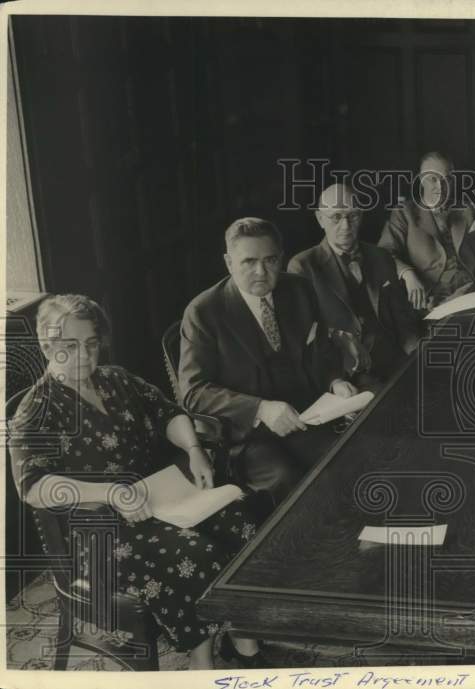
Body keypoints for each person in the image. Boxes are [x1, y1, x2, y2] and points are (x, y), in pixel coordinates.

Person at [8, 294, 266, 670]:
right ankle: (201, 660)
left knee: (243, 518)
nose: (85, 354)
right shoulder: (35, 409)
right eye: (70, 346)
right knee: (196, 553)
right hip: (99, 532)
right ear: (47, 345)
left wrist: (194, 448)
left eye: (92, 343)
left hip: (159, 499)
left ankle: (245, 642)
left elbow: (169, 413)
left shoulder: (116, 379)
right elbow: (31, 485)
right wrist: (109, 492)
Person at [179, 218, 357, 510]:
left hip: (307, 417)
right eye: (248, 262)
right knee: (291, 484)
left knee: (345, 459)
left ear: (281, 258)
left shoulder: (299, 289)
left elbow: (323, 353)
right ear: (228, 262)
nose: (261, 272)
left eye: (270, 260)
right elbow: (193, 392)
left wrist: (335, 382)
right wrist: (261, 408)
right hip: (247, 436)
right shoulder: (203, 312)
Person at [289, 182, 419, 385]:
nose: (346, 226)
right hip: (347, 373)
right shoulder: (303, 266)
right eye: (336, 217)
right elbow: (306, 335)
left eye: (353, 215)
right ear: (320, 219)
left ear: (362, 215)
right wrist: (335, 381)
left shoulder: (381, 256)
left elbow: (402, 320)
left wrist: (419, 355)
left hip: (394, 361)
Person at [379, 151, 475, 310]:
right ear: (422, 180)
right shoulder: (404, 212)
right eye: (433, 179)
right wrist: (407, 274)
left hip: (473, 288)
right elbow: (384, 253)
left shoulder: (468, 209)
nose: (440, 187)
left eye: (446, 179)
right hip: (432, 295)